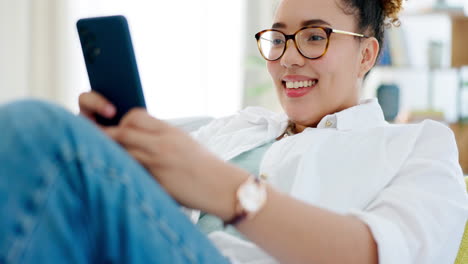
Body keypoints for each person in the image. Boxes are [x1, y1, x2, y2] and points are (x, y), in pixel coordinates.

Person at [0, 0, 467, 263]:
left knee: (33, 126)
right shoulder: (232, 128)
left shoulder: (415, 148)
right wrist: (99, 147)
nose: (287, 58)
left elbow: (377, 255)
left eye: (314, 36)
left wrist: (231, 192)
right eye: (279, 37)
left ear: (367, 55)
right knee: (41, 140)